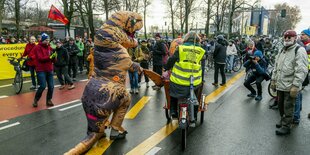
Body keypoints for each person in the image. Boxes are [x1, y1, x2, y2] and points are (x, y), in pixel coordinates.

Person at [64, 11, 143, 155]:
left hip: (90, 89)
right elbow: (129, 64)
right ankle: (115, 129)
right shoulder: (120, 51)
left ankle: (97, 129)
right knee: (124, 97)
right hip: (107, 90)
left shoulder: (98, 49)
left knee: (104, 106)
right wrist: (138, 67)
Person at [270, 30, 308, 135]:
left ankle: (287, 126)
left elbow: (301, 69)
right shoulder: (282, 50)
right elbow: (276, 66)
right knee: (281, 106)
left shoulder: (299, 50)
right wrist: (273, 80)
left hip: (290, 85)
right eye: (285, 37)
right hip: (280, 85)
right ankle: (283, 120)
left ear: (295, 38)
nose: (287, 39)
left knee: (288, 107)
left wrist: (296, 85)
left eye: (289, 37)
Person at [164, 31, 205, 121]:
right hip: (194, 81)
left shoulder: (181, 48)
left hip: (178, 80)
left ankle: (173, 111)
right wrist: (202, 78)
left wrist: (166, 67)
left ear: (186, 39)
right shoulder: (201, 50)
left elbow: (172, 60)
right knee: (195, 93)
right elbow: (202, 65)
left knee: (172, 92)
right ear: (197, 40)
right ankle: (194, 113)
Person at [32, 33, 55, 107]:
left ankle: (49, 100)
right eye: (46, 40)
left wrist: (54, 57)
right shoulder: (37, 47)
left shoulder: (49, 47)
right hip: (41, 69)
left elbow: (53, 59)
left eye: (48, 40)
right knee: (42, 86)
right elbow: (40, 58)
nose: (47, 41)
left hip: (49, 69)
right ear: (42, 40)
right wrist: (50, 57)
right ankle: (36, 99)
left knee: (51, 86)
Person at [299, 29, 310, 120]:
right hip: (305, 70)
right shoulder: (304, 44)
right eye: (301, 34)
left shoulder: (308, 45)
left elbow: (305, 50)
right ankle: (299, 107)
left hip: (307, 70)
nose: (301, 36)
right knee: (300, 89)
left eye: (303, 34)